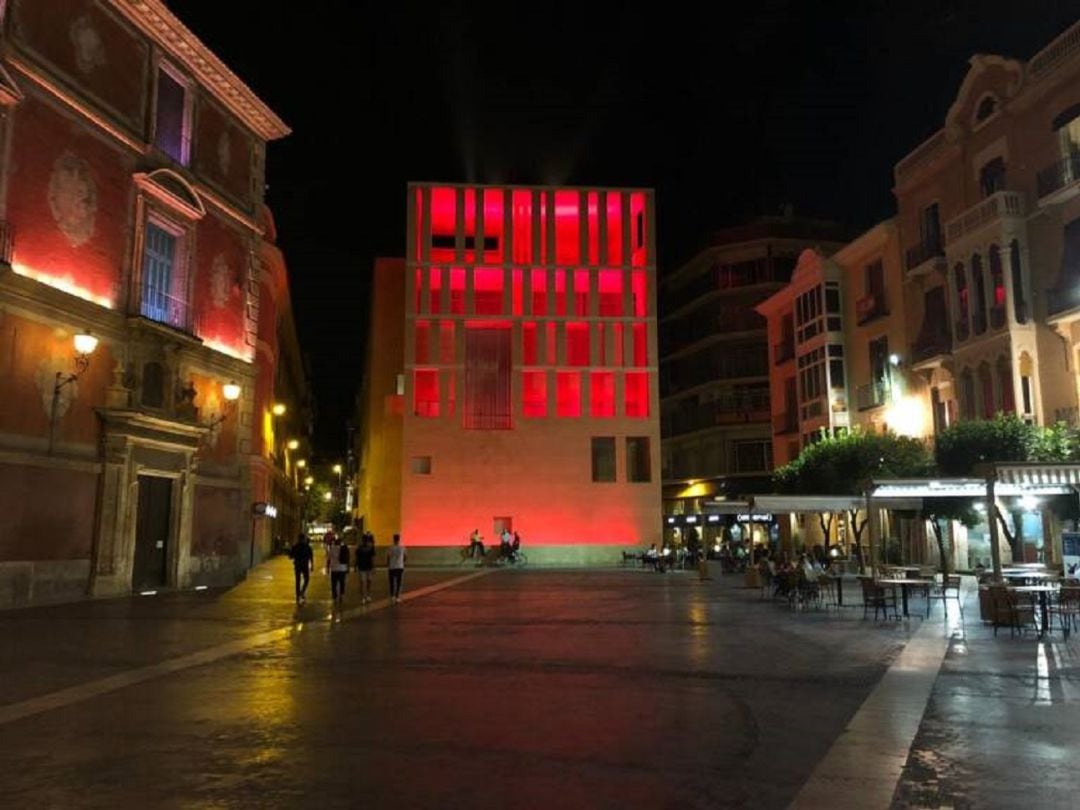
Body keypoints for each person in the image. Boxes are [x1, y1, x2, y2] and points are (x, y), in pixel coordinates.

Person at [288, 533, 314, 604]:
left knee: (298, 581)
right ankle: (302, 592)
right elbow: (311, 557)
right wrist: (312, 565)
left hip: (298, 565)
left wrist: (289, 552)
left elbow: (290, 557)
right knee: (306, 579)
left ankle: (298, 595)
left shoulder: (295, 546)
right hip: (304, 565)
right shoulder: (307, 547)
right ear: (304, 539)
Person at [327, 533, 349, 602]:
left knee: (334, 583)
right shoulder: (343, 549)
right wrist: (347, 567)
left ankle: (335, 596)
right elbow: (347, 559)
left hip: (334, 569)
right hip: (342, 569)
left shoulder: (332, 549)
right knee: (342, 582)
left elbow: (329, 559)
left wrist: (328, 568)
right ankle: (341, 595)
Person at [355, 532, 376, 603]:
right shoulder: (370, 547)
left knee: (362, 582)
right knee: (368, 581)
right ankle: (367, 596)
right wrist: (373, 567)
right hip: (368, 566)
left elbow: (356, 557)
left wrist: (355, 565)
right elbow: (373, 558)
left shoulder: (360, 547)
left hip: (362, 566)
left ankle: (363, 597)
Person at [387, 534, 406, 603]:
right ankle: (397, 596)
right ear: (399, 539)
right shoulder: (402, 547)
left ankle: (392, 596)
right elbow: (405, 557)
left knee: (391, 582)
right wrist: (402, 563)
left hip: (392, 567)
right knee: (399, 582)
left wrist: (388, 565)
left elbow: (388, 557)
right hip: (400, 566)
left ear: (393, 539)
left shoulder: (390, 547)